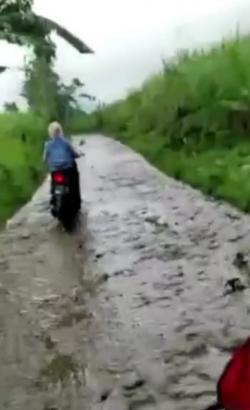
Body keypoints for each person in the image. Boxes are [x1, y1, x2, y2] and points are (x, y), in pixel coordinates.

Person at [43, 121, 83, 209]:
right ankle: (77, 202)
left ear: (50, 132)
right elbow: (75, 153)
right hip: (67, 169)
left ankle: (53, 197)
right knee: (74, 181)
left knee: (53, 182)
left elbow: (44, 158)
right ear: (60, 131)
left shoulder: (47, 145)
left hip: (55, 170)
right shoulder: (66, 142)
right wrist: (80, 154)